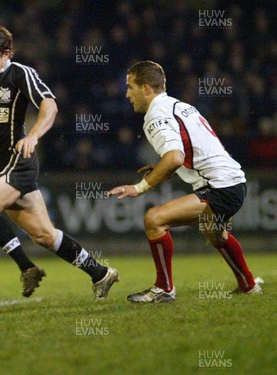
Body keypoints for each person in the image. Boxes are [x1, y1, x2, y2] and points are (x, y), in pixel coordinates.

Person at [0, 25, 119, 300]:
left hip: (17, 159)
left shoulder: (20, 74)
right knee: (45, 236)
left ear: (6, 54)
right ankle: (101, 274)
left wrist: (34, 136)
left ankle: (27, 267)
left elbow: (49, 106)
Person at [110, 60, 262, 303]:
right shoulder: (180, 106)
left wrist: (140, 187)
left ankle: (163, 289)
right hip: (232, 181)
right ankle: (248, 285)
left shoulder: (155, 115)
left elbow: (174, 157)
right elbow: (189, 152)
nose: (127, 94)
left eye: (130, 87)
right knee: (214, 233)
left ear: (146, 88)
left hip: (220, 186)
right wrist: (164, 168)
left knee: (154, 219)